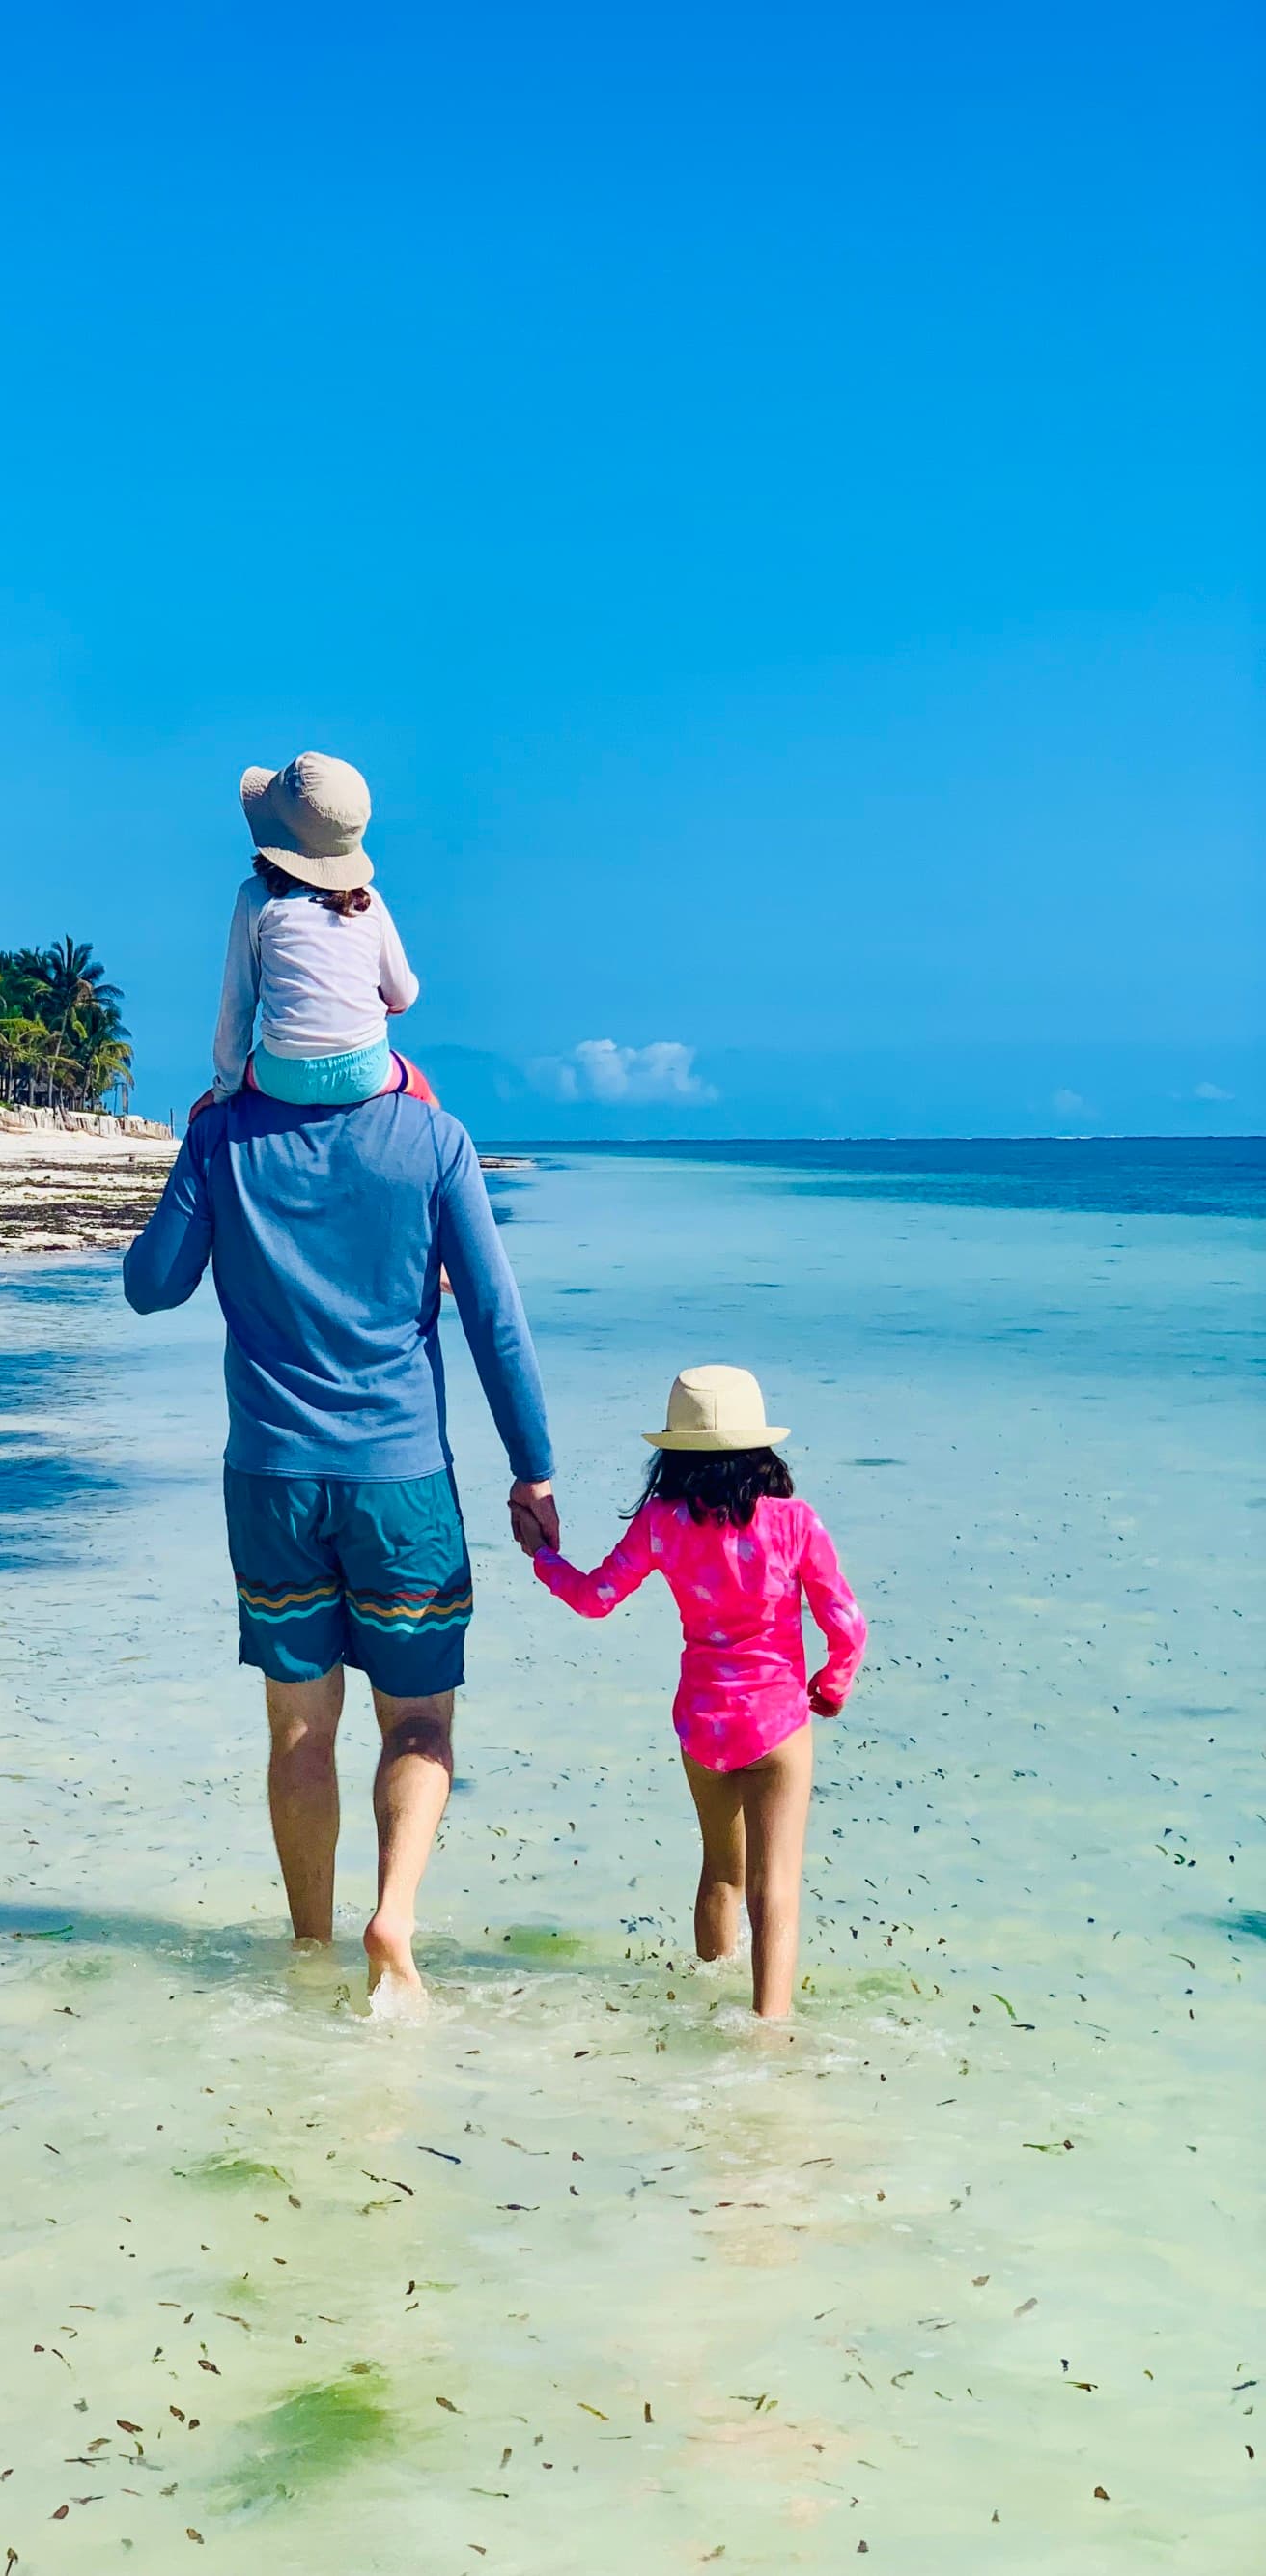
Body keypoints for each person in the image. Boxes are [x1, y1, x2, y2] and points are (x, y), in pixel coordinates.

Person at [125, 760, 555, 2013]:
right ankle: (394, 1921)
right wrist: (532, 1470)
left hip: (269, 1477)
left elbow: (153, 1286)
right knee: (417, 1729)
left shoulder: (223, 1133)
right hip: (401, 1480)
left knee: (299, 1734)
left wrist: (199, 1147)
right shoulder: (431, 1137)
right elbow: (498, 1326)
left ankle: (308, 1952)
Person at [521, 1365, 866, 2022]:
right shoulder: (794, 1522)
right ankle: (768, 2023)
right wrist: (835, 1681)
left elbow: (595, 1599)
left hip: (703, 1724)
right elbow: (844, 1620)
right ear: (761, 1446)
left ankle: (713, 2002)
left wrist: (544, 1558)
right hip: (776, 1722)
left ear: (674, 1453)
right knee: (776, 1886)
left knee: (722, 1871)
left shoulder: (662, 1521)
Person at [210, 750, 429, 1107]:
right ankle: (432, 1146)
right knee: (420, 1087)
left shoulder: (255, 897)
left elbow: (238, 1004)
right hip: (364, 1071)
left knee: (254, 1069)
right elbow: (402, 995)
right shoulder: (367, 902)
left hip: (285, 1075)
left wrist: (225, 1088)